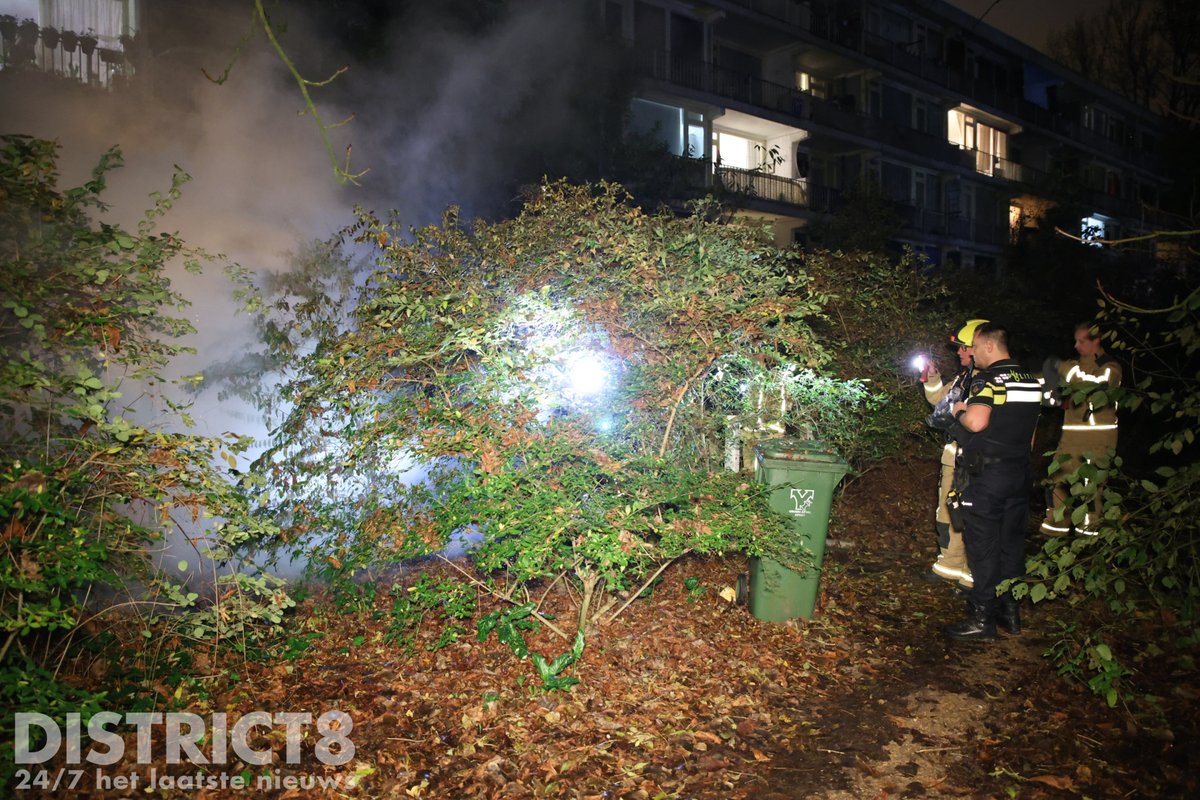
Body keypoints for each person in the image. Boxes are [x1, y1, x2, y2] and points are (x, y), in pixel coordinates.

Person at [944, 323, 1042, 642]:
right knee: (1011, 545)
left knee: (983, 548)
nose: (973, 354)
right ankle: (1010, 613)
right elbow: (1031, 435)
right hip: (1019, 474)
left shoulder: (988, 379)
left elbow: (976, 421)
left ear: (989, 346)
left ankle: (981, 618)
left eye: (975, 347)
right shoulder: (1030, 380)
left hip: (988, 477)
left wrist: (958, 411)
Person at [920, 319, 988, 589]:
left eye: (963, 347)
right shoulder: (964, 377)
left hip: (974, 461)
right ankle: (949, 565)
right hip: (953, 458)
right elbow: (941, 402)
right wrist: (932, 377)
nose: (959, 352)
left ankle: (973, 576)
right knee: (948, 514)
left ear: (977, 347)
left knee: (974, 517)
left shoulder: (989, 381)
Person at [1040, 322, 1122, 536]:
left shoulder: (1109, 367)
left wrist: (1063, 368)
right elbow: (1048, 380)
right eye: (1075, 341)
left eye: (1082, 341)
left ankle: (1088, 538)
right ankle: (1055, 531)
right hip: (1070, 439)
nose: (1076, 346)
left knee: (1090, 488)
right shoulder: (1073, 365)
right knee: (1057, 481)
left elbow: (1095, 385)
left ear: (1097, 340)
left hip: (1097, 441)